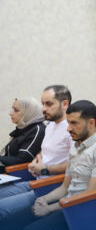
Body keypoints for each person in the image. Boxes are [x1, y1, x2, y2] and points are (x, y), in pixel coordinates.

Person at [16, 100, 96, 230]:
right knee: (15, 220)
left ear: (91, 123)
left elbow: (89, 196)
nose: (68, 128)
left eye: (74, 123)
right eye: (68, 122)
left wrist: (50, 208)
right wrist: (44, 199)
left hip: (83, 211)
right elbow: (65, 187)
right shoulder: (76, 146)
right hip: (67, 202)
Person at [0, 86, 71, 220]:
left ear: (65, 104)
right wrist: (36, 161)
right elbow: (46, 150)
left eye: (48, 104)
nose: (43, 108)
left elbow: (76, 164)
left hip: (52, 186)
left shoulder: (72, 129)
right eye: (43, 104)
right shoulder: (50, 126)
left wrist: (45, 169)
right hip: (36, 181)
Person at [0, 98, 45, 172]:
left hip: (19, 174)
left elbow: (22, 160)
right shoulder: (25, 127)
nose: (10, 113)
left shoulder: (37, 129)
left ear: (28, 112)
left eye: (16, 110)